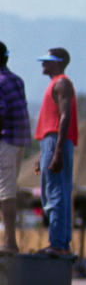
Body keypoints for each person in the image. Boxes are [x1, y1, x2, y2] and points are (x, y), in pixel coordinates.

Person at [33, 48, 77, 257]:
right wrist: (43, 155)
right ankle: (62, 242)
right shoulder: (56, 83)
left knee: (55, 193)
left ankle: (57, 243)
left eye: (48, 61)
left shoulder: (62, 83)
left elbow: (64, 116)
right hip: (51, 142)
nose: (44, 64)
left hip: (56, 140)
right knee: (59, 191)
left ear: (58, 63)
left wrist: (56, 150)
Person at [0, 43, 31, 254]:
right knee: (7, 190)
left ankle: (10, 242)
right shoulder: (16, 79)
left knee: (6, 192)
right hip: (17, 141)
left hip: (5, 142)